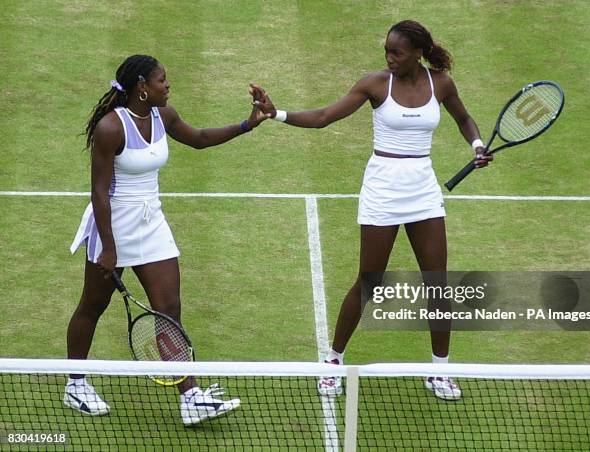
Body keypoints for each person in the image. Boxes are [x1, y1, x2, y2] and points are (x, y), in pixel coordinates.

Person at [251, 20, 492, 400]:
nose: (389, 58)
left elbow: (463, 117)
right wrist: (276, 113)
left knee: (437, 282)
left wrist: (477, 145)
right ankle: (332, 362)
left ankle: (440, 371)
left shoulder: (440, 84)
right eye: (387, 51)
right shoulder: (376, 84)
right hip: (383, 189)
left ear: (417, 52)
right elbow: (324, 117)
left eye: (396, 52)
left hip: (423, 191)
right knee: (370, 282)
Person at [66, 54, 269, 425]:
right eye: (162, 80)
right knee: (92, 306)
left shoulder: (164, 116)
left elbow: (201, 139)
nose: (168, 85)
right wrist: (109, 248)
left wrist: (248, 124)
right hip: (112, 224)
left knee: (169, 311)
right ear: (142, 87)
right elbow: (98, 191)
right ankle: (75, 384)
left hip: (151, 224)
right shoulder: (112, 128)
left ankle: (191, 397)